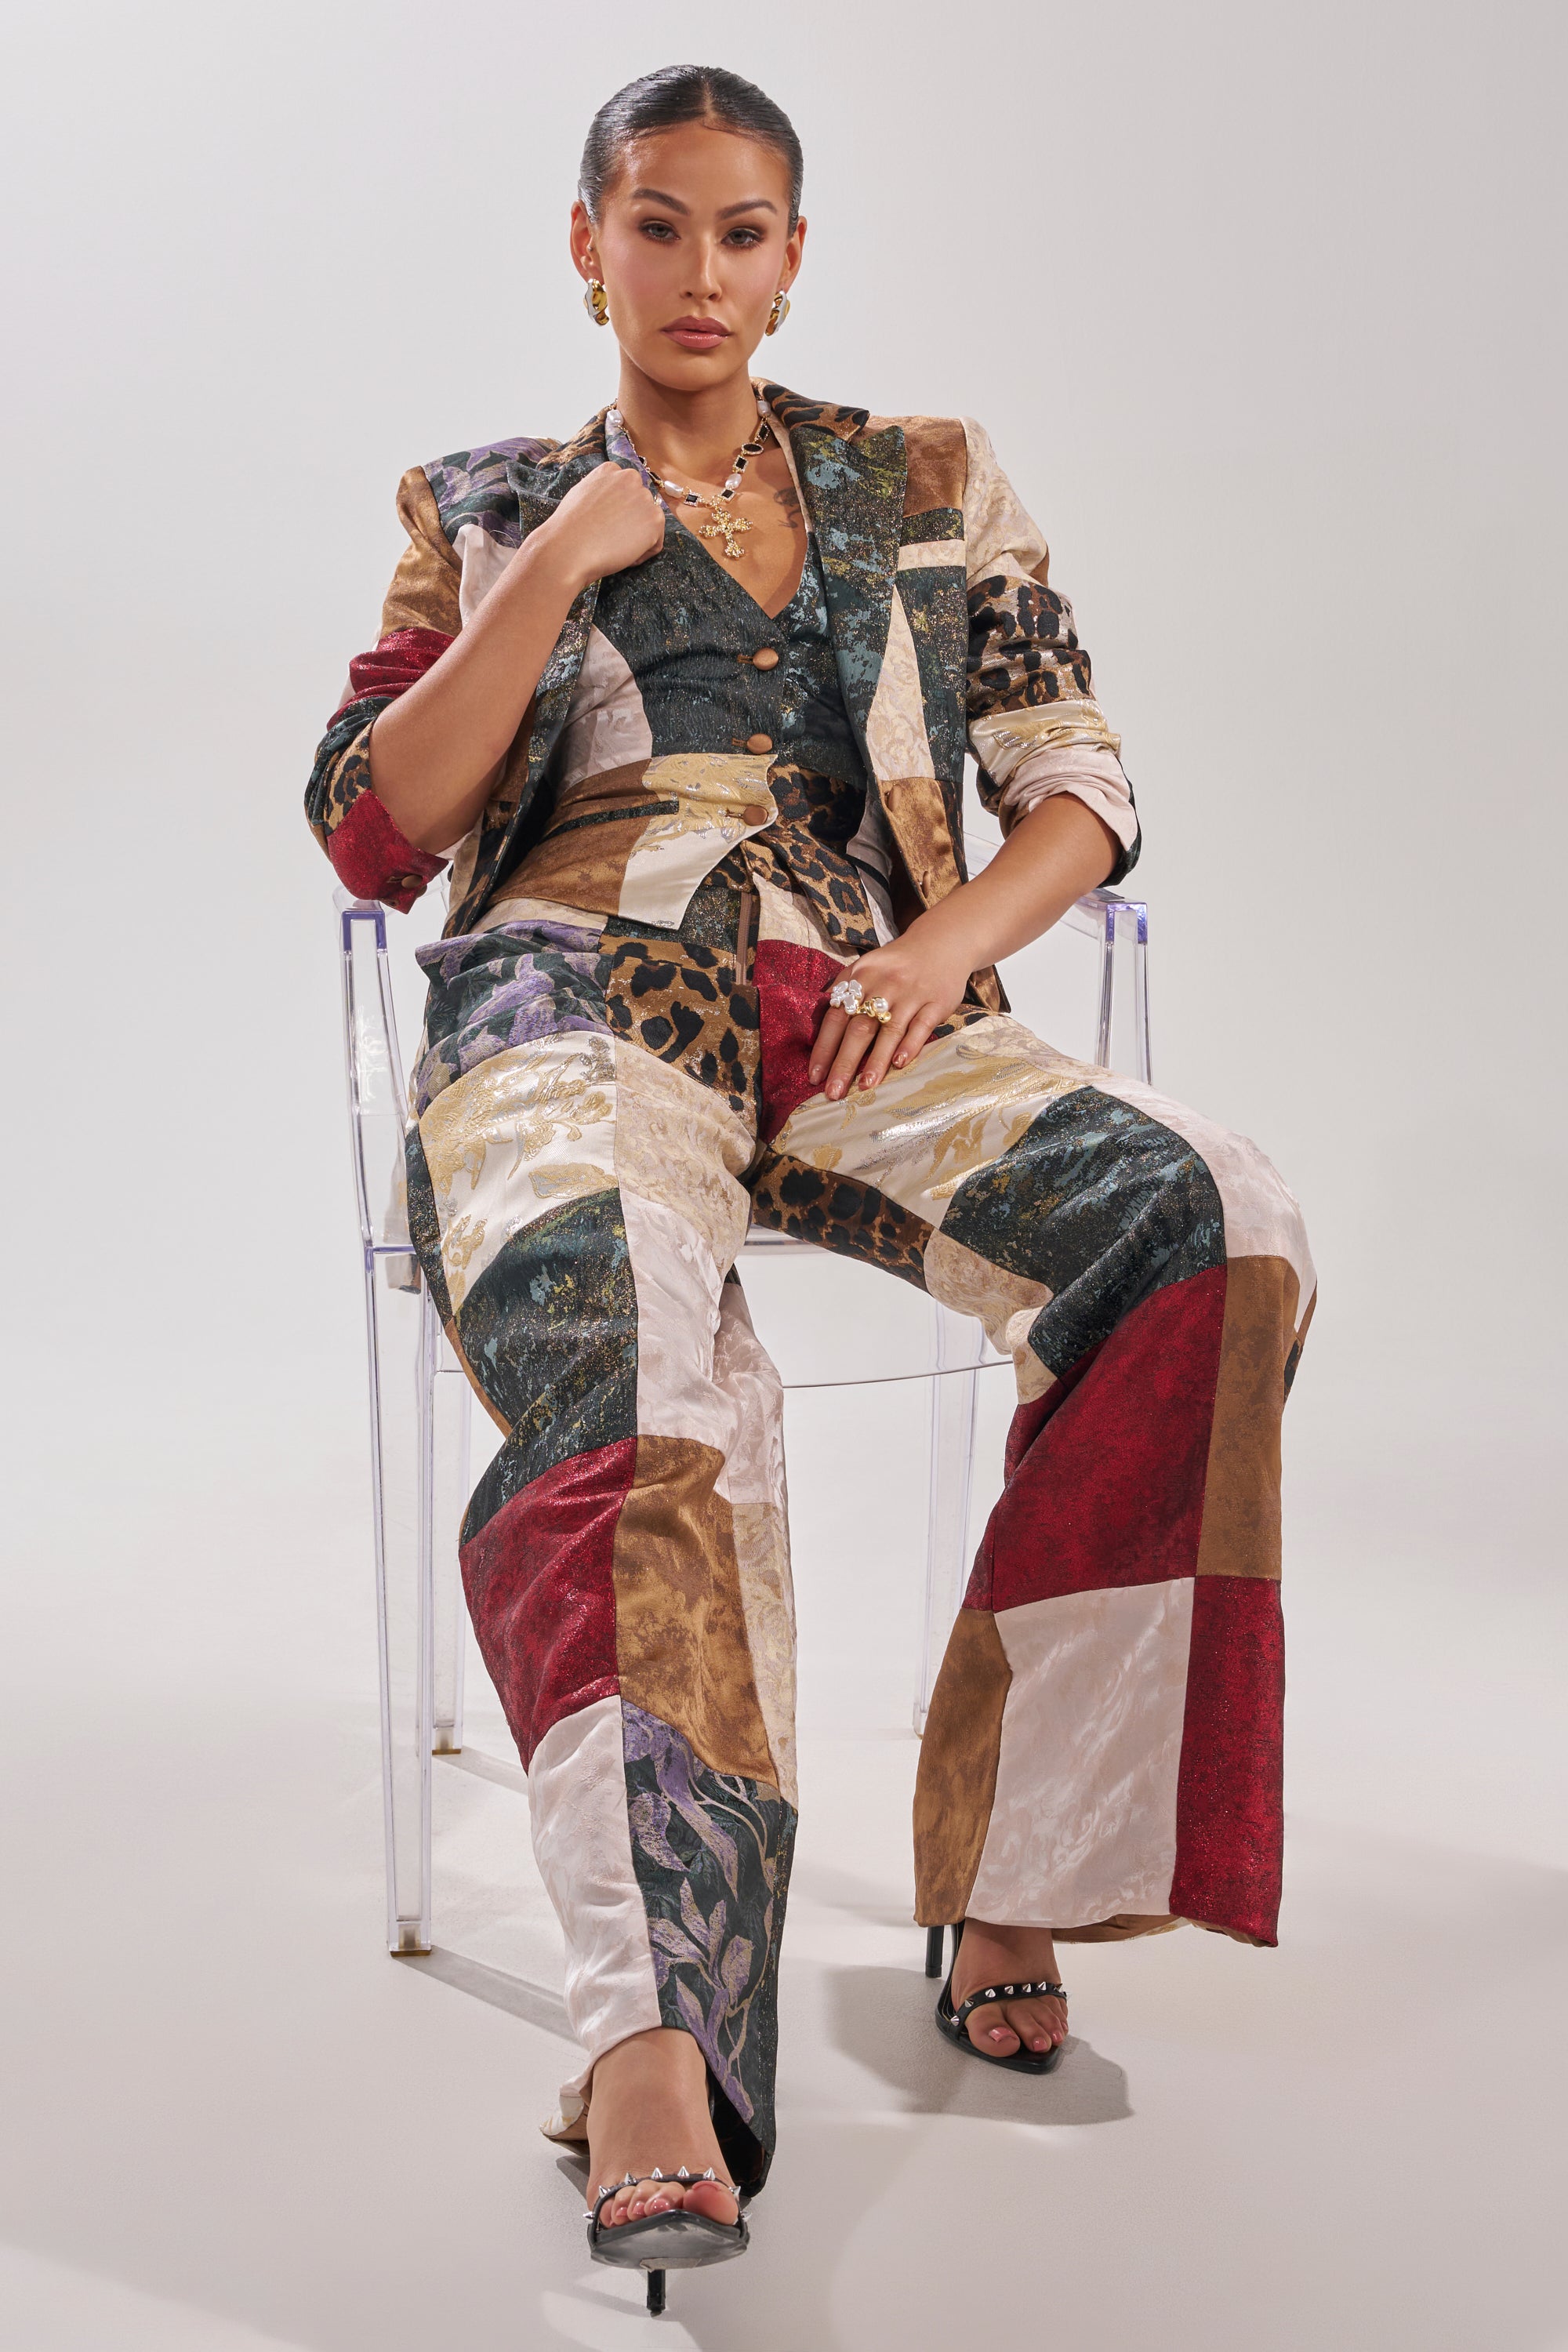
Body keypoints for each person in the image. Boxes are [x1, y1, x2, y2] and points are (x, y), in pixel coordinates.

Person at [305, 63, 1315, 2292]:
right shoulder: (479, 498)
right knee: (648, 1363)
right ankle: (650, 2029)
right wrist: (562, 554)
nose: (699, 273)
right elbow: (376, 830)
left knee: (1212, 1223)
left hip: (873, 1005)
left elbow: (1079, 776)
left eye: (742, 232)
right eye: (654, 226)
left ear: (794, 256)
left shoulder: (925, 480)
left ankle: (1017, 1859)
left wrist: (948, 948)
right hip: (574, 1015)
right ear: (586, 244)